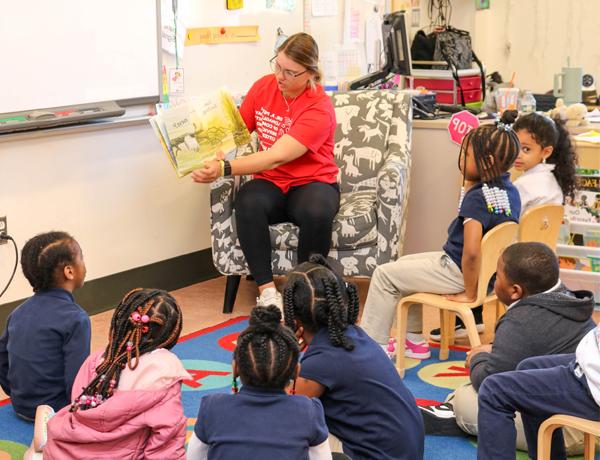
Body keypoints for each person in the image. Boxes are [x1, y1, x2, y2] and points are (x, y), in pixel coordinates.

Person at [191, 33, 339, 310]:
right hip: (273, 184)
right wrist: (209, 154)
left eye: (290, 72)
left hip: (313, 182)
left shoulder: (319, 108)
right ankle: (268, 291)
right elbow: (235, 133)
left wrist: (224, 168)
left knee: (317, 211)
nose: (280, 76)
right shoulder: (263, 87)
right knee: (248, 200)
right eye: (277, 65)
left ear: (310, 74)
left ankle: (303, 292)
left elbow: (275, 157)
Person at [360, 110, 522, 359]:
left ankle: (372, 348)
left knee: (383, 275)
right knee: (403, 266)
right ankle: (414, 341)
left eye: (467, 154)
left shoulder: (477, 199)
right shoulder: (509, 192)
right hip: (486, 275)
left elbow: (471, 252)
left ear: (487, 162)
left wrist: (469, 292)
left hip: (460, 272)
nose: (462, 158)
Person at [420, 242, 595, 449]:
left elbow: (489, 379)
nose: (494, 282)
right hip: (585, 405)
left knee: (466, 398)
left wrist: (477, 358)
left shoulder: (521, 319)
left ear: (515, 291)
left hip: (570, 429)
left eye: (497, 277)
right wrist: (493, 350)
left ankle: (459, 418)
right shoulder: (567, 299)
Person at [284, 255, 424, 460]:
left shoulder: (320, 362)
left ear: (294, 319)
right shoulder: (352, 335)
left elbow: (281, 407)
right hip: (404, 451)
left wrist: (285, 350)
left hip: (377, 455)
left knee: (281, 431)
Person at [38, 288, 189, 459]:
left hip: (65, 451)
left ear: (121, 322)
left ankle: (44, 433)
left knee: (57, 426)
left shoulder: (99, 361)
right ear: (171, 334)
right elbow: (167, 440)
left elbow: (77, 403)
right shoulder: (164, 374)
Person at [187, 305, 332, 460]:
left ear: (235, 369)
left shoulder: (212, 407)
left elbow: (194, 457)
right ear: (296, 372)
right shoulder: (309, 411)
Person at [0, 231, 90, 421]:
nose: (85, 264)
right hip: (54, 412)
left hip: (19, 406)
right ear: (69, 271)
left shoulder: (16, 314)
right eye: (81, 258)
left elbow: (2, 360)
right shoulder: (77, 319)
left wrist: (16, 394)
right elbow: (77, 380)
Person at [478, 321, 600, 460]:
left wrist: (478, 358)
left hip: (592, 383)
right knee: (528, 367)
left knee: (493, 391)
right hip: (588, 361)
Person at [512, 112, 577, 215]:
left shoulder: (522, 185)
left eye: (526, 149)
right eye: (514, 146)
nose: (517, 154)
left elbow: (507, 224)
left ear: (546, 152)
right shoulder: (552, 178)